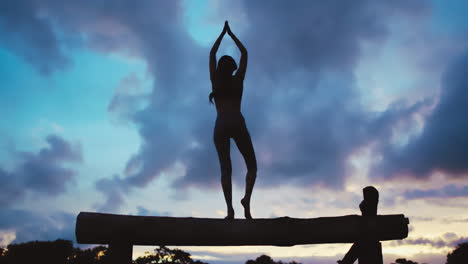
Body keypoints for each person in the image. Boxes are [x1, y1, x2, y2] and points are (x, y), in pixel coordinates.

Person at [209, 21, 257, 219]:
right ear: (233, 68)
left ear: (220, 68)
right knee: (252, 166)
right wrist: (232, 34)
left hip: (220, 125)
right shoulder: (238, 80)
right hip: (237, 122)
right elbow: (245, 54)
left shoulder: (215, 80)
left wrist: (222, 34)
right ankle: (246, 200)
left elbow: (212, 55)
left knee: (225, 170)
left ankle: (230, 210)